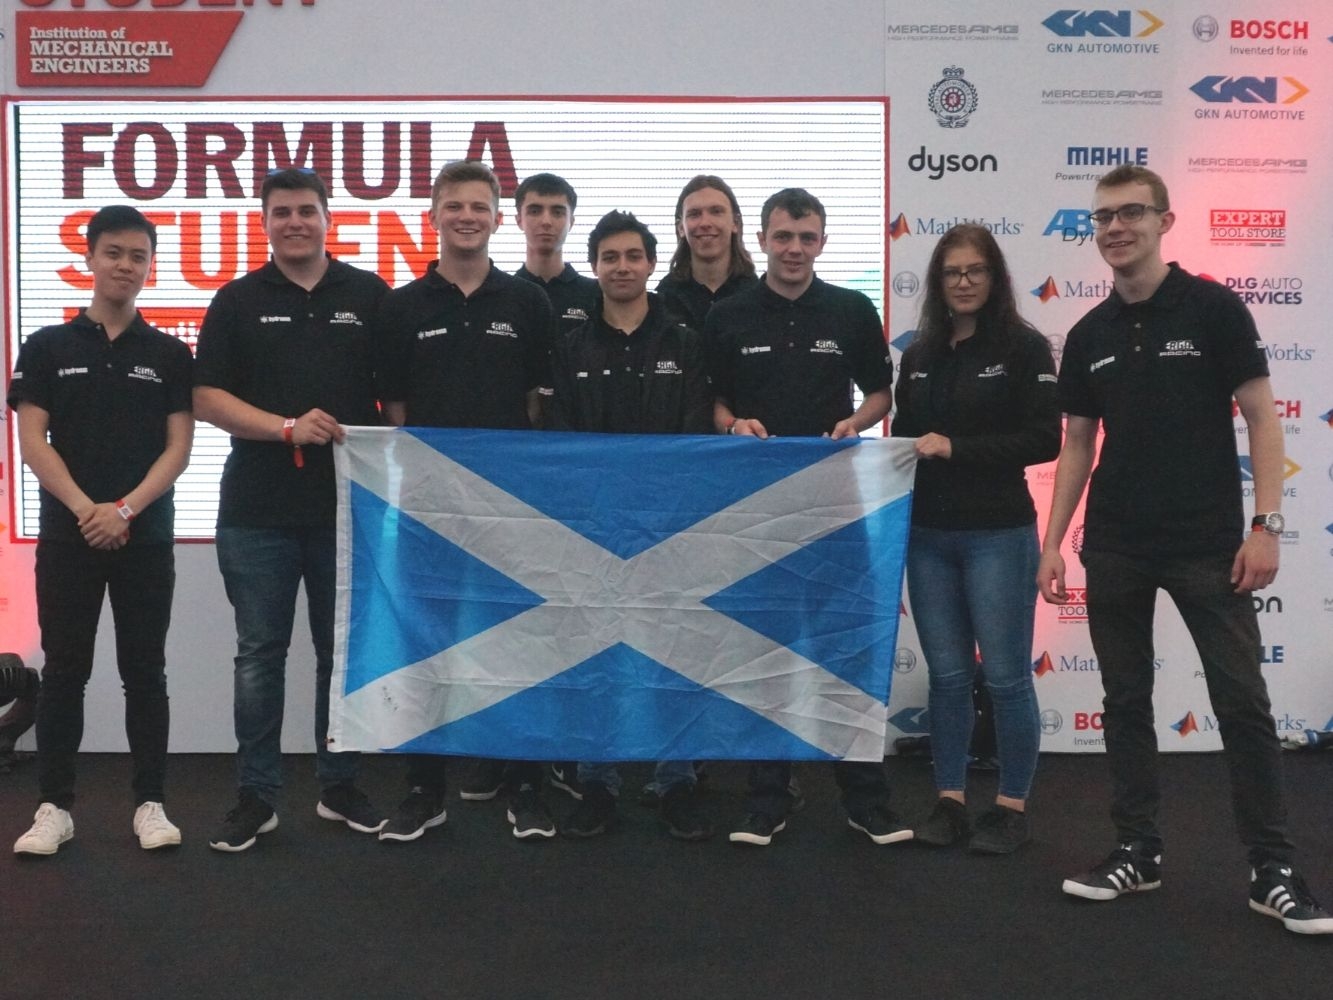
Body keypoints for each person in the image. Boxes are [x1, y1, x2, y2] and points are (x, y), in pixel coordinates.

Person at [1038, 165, 1331, 934]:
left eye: (1130, 213)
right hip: (1115, 546)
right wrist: (1053, 542)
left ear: (1164, 222)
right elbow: (1074, 446)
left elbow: (1263, 419)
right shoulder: (1089, 333)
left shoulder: (1213, 308)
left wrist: (1264, 523)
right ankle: (1136, 851)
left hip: (1209, 545)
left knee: (1242, 705)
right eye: (1101, 217)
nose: (1114, 228)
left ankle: (1272, 870)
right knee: (1124, 702)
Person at [194, 168, 389, 852]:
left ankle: (338, 786)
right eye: (282, 212)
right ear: (266, 222)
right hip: (257, 511)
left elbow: (393, 401)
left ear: (329, 218)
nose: (295, 222)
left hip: (347, 512)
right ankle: (257, 796)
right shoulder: (237, 300)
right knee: (259, 656)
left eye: (307, 210)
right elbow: (206, 397)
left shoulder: (367, 295)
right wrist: (282, 427)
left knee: (341, 655)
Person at [708, 187, 907, 847]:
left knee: (843, 651)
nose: (794, 249)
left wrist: (858, 421)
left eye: (807, 238)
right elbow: (712, 404)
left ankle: (864, 798)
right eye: (783, 237)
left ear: (821, 243)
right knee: (762, 653)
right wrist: (733, 423)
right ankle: (766, 798)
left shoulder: (850, 309)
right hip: (753, 512)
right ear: (760, 240)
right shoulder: (730, 314)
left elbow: (881, 393)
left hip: (835, 509)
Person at [376, 159, 557, 842]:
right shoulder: (400, 308)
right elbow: (394, 411)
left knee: (521, 645)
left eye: (478, 205)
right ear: (433, 216)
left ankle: (526, 786)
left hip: (513, 509)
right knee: (428, 647)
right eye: (453, 205)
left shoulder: (527, 304)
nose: (465, 216)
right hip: (428, 509)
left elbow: (540, 403)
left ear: (494, 217)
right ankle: (425, 789)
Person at [8, 205, 193, 855]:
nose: (125, 265)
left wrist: (126, 510)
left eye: (138, 255)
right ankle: (54, 807)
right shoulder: (48, 347)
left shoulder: (169, 353)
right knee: (65, 671)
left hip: (144, 537)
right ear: (88, 258)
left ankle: (151, 803)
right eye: (113, 252)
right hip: (68, 535)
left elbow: (177, 450)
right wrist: (89, 508)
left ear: (149, 265)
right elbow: (32, 440)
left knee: (146, 672)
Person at [891, 224, 1060, 854]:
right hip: (928, 535)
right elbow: (905, 436)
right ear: (938, 282)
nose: (962, 282)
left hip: (998, 533)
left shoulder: (1023, 347)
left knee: (1010, 678)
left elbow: (1046, 438)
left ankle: (1011, 807)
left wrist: (957, 448)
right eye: (951, 272)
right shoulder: (920, 353)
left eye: (974, 271)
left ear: (994, 278)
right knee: (948, 676)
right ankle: (950, 800)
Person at [548, 210, 714, 840]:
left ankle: (676, 782)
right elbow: (559, 440)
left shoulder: (683, 341)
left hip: (668, 528)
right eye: (609, 257)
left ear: (650, 263)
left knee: (674, 655)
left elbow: (697, 435)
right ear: (594, 267)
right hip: (592, 530)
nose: (622, 267)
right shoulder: (570, 345)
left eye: (633, 256)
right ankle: (597, 781)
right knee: (598, 656)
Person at [508, 171, 599, 801]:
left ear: (571, 219)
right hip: (512, 483)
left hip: (580, 483)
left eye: (557, 210)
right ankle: (506, 752)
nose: (546, 220)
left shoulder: (595, 293)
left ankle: (571, 747)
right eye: (535, 209)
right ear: (516, 218)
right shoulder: (499, 290)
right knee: (516, 620)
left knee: (577, 618)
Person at [657, 174, 759, 330]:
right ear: (681, 228)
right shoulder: (663, 300)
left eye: (716, 211)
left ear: (735, 223)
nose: (705, 223)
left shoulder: (757, 296)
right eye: (694, 214)